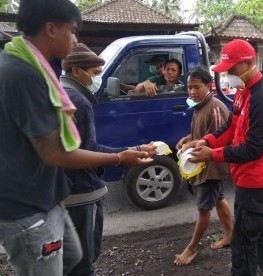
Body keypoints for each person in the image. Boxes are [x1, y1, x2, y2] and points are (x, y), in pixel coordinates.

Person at [0, 1, 151, 275]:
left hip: (49, 198)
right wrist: (121, 157)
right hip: (28, 208)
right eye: (72, 31)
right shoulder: (23, 74)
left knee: (74, 261)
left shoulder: (37, 70)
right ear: (50, 29)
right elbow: (55, 152)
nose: (75, 39)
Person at [187, 39, 263, 275]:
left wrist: (213, 155)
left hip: (260, 182)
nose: (229, 74)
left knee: (242, 244)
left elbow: (254, 149)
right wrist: (208, 141)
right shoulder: (244, 92)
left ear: (249, 63)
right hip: (247, 179)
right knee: (260, 236)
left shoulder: (262, 98)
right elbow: (232, 126)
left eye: (232, 69)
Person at [60, 42, 157, 276]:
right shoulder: (79, 102)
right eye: (95, 74)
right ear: (76, 71)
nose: (98, 81)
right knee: (84, 261)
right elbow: (87, 149)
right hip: (82, 193)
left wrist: (130, 148)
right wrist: (123, 156)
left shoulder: (59, 93)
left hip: (63, 192)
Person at [174, 66, 232, 266]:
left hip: (211, 168)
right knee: (219, 199)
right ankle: (230, 234)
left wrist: (194, 144)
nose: (191, 91)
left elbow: (219, 138)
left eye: (196, 87)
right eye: (189, 87)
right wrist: (187, 139)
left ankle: (192, 248)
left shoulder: (215, 108)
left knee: (203, 208)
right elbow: (202, 135)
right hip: (202, 165)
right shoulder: (199, 106)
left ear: (209, 86)